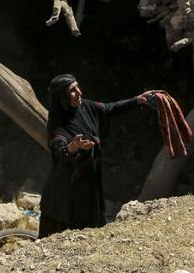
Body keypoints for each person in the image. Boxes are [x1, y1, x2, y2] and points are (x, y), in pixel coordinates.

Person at [38, 73, 153, 238]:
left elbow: (110, 108)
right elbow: (59, 150)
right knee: (63, 231)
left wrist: (138, 100)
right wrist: (74, 146)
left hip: (89, 179)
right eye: (72, 90)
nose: (79, 93)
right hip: (67, 186)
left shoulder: (85, 107)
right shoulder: (57, 122)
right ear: (62, 97)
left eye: (78, 87)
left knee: (89, 228)